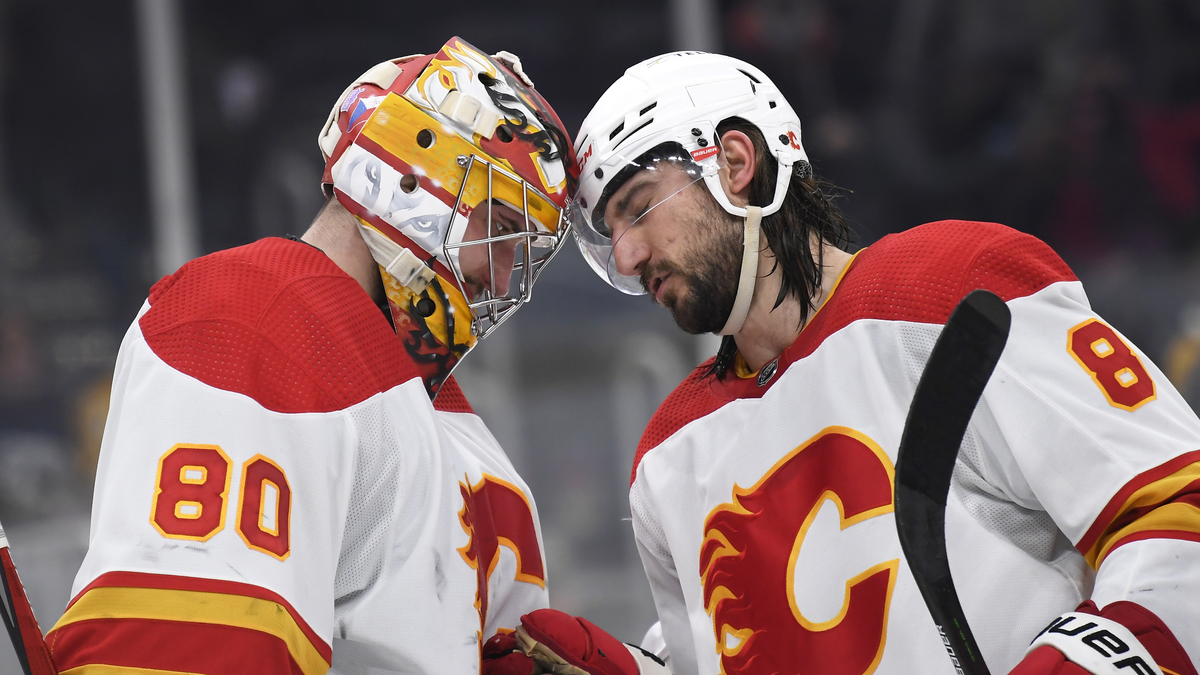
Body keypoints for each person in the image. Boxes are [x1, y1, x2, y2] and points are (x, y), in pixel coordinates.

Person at [501, 51, 1200, 675]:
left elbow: (1176, 512)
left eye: (637, 207)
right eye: (611, 234)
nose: (626, 255)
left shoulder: (952, 289)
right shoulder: (668, 452)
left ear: (736, 164)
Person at [43, 37, 575, 675]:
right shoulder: (252, 316)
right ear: (412, 177)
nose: (504, 274)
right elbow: (183, 651)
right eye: (500, 228)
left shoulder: (439, 413)